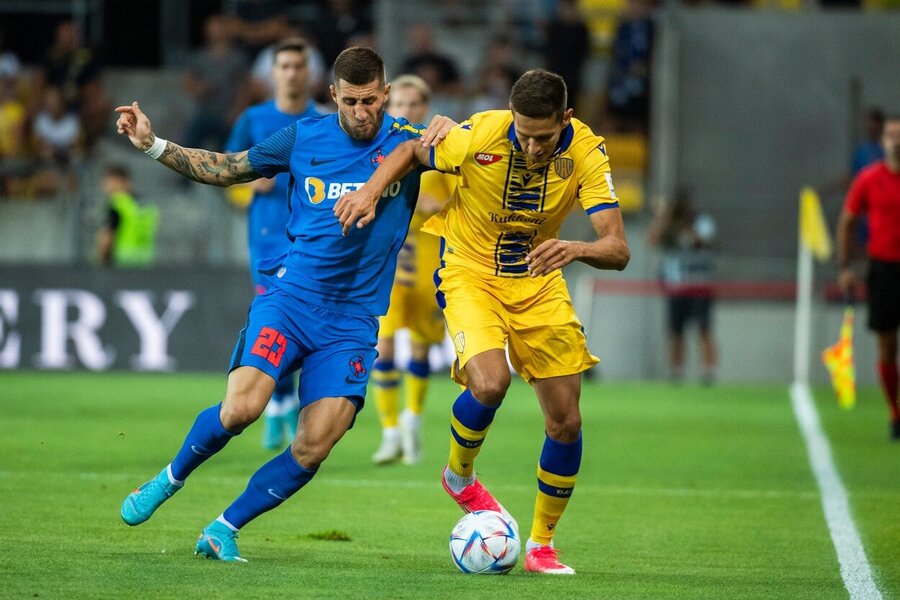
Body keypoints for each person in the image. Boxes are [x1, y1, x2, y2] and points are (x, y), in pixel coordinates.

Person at [115, 47, 453, 562]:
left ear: (386, 94)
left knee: (315, 444)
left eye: (372, 101)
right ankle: (169, 478)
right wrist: (153, 145)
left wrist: (451, 126)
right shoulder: (303, 136)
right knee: (241, 409)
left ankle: (224, 527)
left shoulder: (409, 140)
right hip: (291, 300)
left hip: (353, 321)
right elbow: (229, 168)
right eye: (352, 101)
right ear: (333, 96)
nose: (363, 113)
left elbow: (465, 147)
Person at [336, 69, 630, 574]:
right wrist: (368, 191)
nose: (533, 147)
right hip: (470, 272)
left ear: (568, 118)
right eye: (524, 133)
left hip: (538, 281)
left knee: (566, 421)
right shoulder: (478, 135)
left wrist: (577, 248)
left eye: (545, 136)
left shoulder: (585, 151)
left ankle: (541, 546)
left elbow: (618, 248)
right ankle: (459, 476)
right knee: (491, 383)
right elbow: (410, 151)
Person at [224, 37, 322, 451]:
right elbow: (226, 176)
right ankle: (279, 404)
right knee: (275, 322)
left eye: (298, 66)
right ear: (273, 72)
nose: (291, 73)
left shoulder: (322, 121)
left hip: (310, 241)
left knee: (301, 324)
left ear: (309, 73)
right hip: (265, 239)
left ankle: (279, 405)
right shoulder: (254, 119)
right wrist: (251, 189)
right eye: (284, 66)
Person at [371, 75, 453, 466]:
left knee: (421, 347)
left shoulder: (443, 155)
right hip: (388, 263)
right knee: (383, 346)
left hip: (428, 263)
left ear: (426, 108)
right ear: (390, 108)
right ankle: (389, 431)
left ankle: (413, 422)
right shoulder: (377, 151)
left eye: (416, 104)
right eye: (400, 104)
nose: (408, 110)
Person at [837, 114, 900, 441]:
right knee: (887, 345)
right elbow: (847, 221)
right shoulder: (869, 178)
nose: (896, 140)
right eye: (891, 135)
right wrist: (845, 267)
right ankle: (895, 412)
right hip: (884, 269)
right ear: (883, 141)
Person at [646, 189, 717, 383]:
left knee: (704, 328)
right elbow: (652, 240)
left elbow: (701, 242)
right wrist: (664, 218)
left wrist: (684, 225)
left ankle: (709, 370)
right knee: (676, 330)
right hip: (676, 286)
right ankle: (677, 370)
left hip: (700, 283)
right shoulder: (669, 225)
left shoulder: (702, 221)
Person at [96, 165, 158, 267]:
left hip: (121, 264)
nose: (104, 186)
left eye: (108, 182)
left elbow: (108, 237)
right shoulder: (148, 206)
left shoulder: (117, 204)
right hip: (145, 263)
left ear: (119, 181)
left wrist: (102, 261)